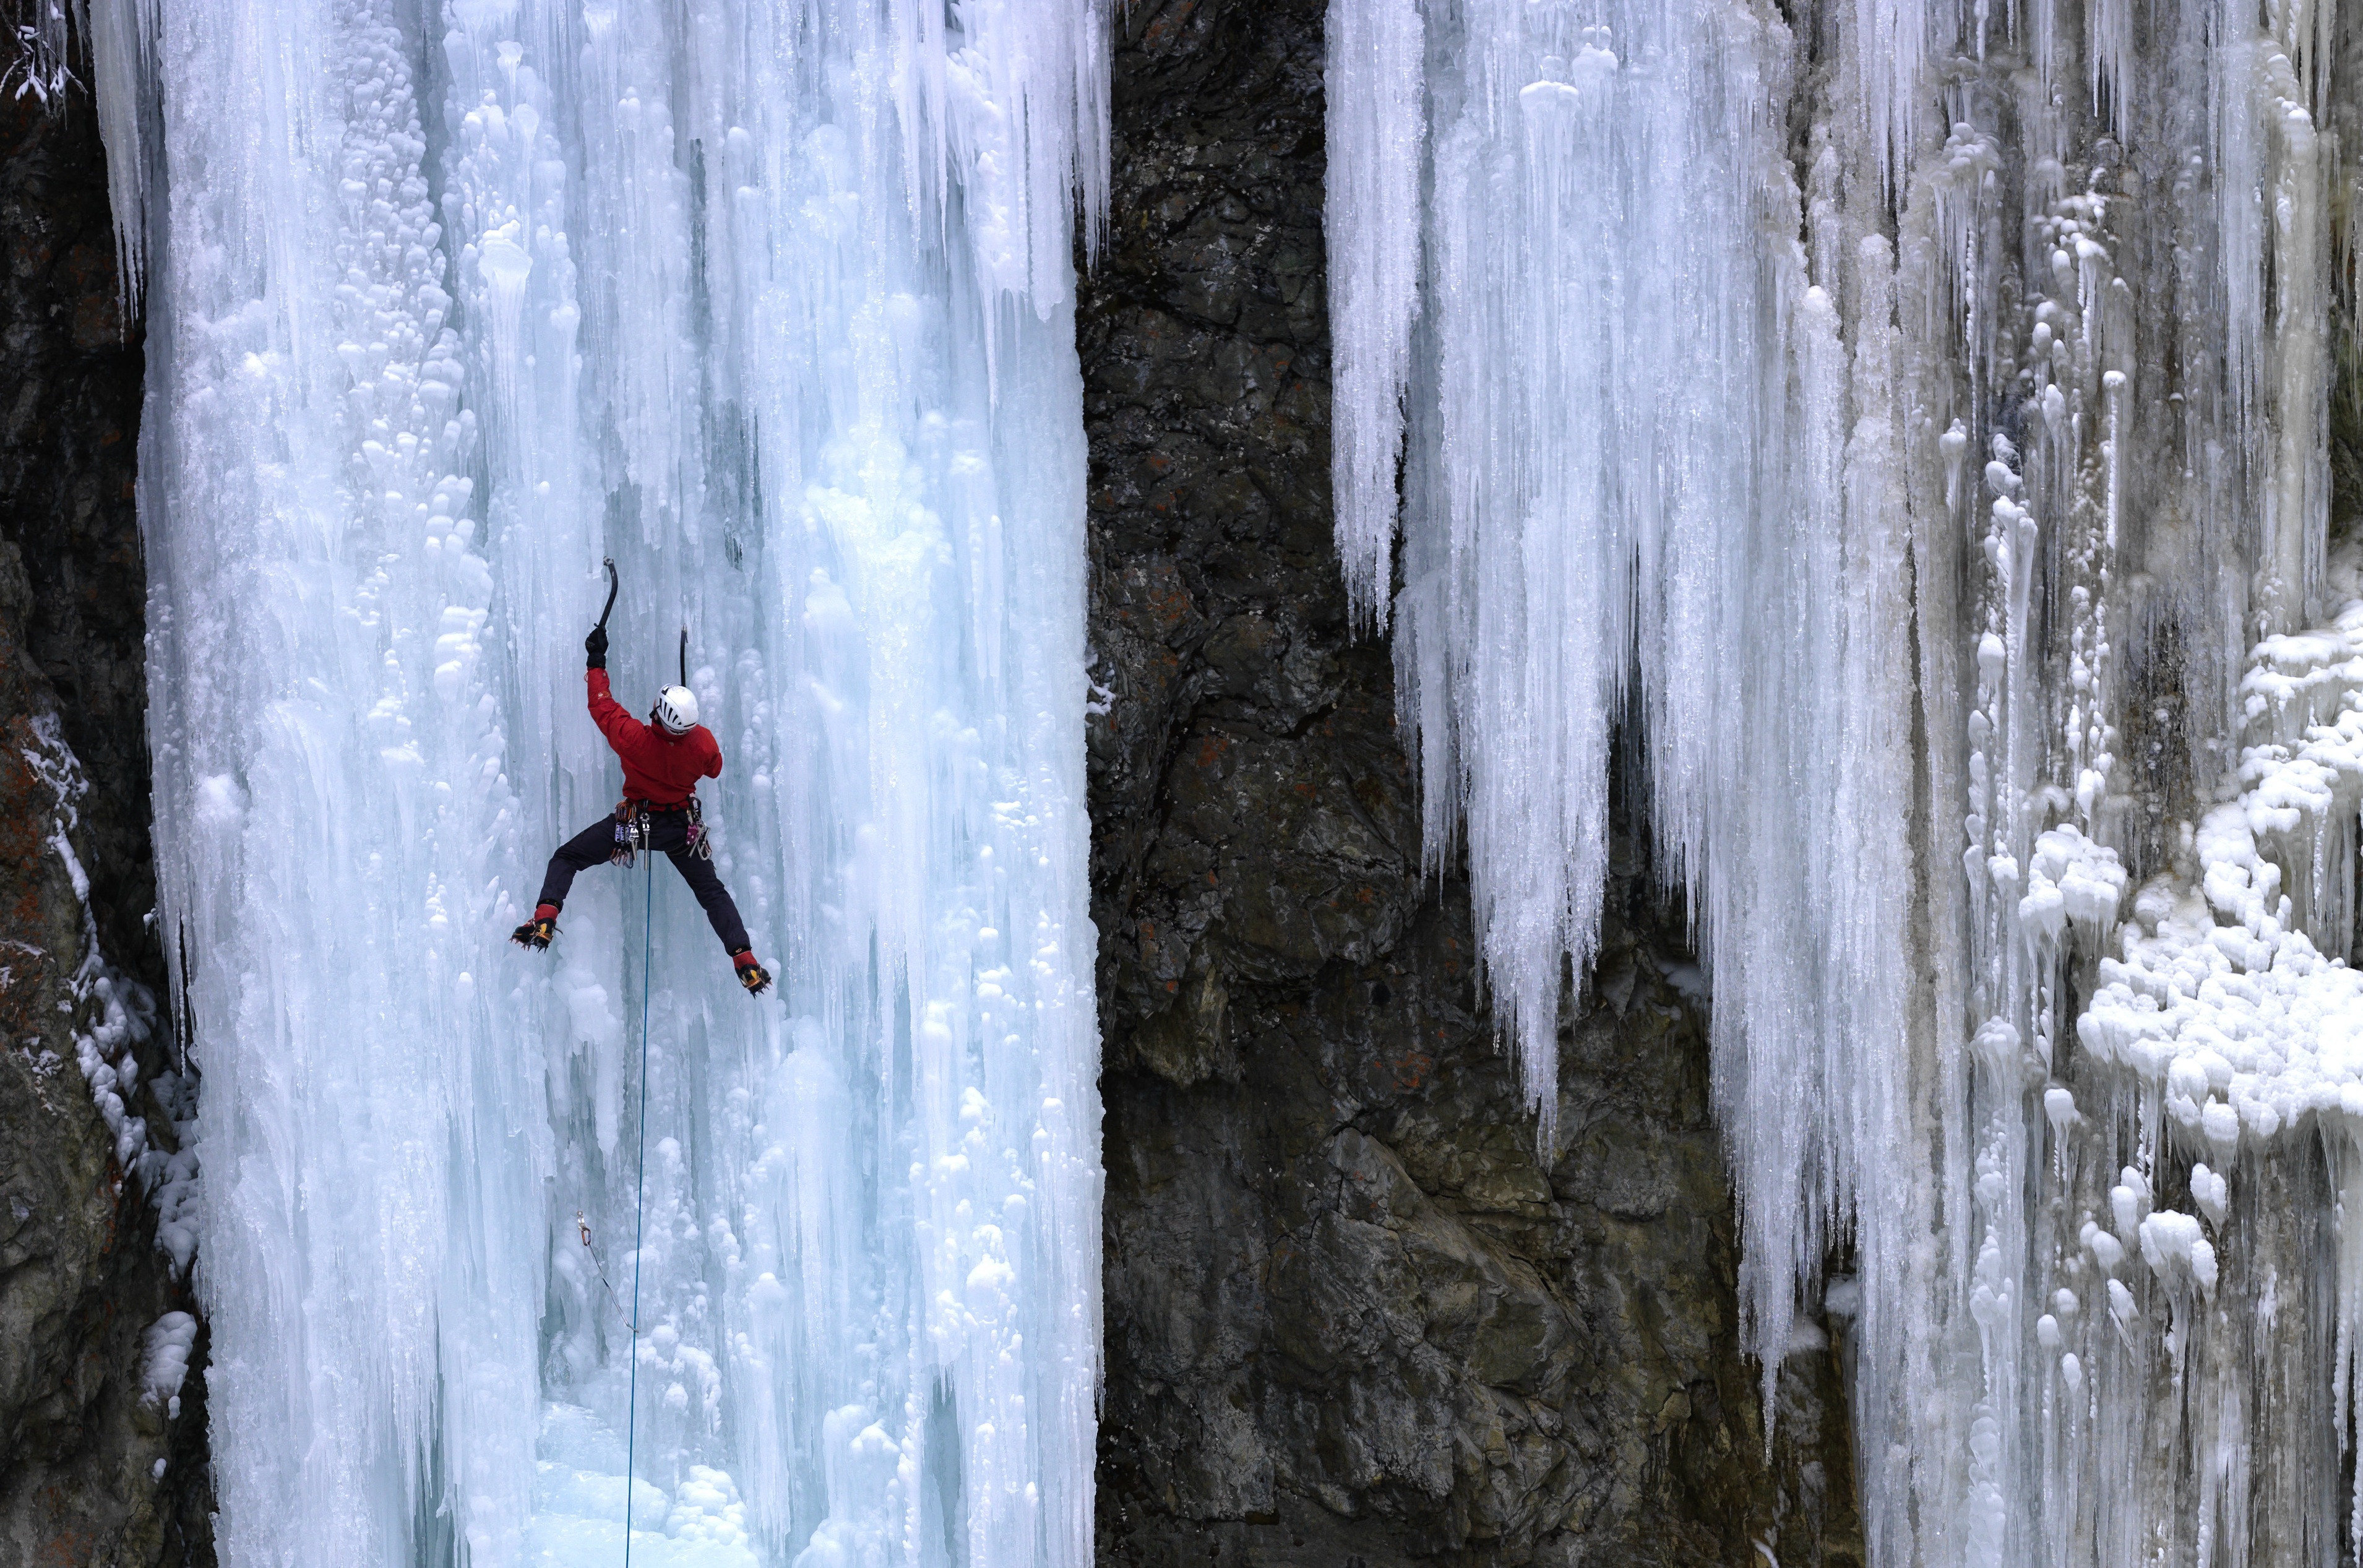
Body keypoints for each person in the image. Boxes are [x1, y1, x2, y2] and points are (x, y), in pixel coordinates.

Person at [511, 618, 772, 995]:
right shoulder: (702, 743)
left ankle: (546, 917)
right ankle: (744, 959)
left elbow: (601, 706)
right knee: (712, 893)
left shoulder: (634, 739)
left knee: (567, 858)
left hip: (637, 826)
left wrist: (596, 660)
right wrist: (692, 743)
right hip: (683, 830)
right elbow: (714, 770)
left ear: (658, 715)